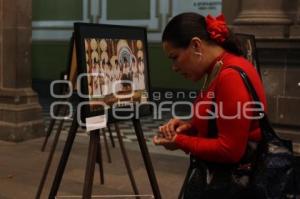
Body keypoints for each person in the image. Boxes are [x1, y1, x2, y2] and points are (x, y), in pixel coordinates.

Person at [153, 13, 267, 199]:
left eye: (174, 57)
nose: (173, 67)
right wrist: (188, 128)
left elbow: (229, 150)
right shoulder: (219, 68)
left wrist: (180, 141)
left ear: (196, 45)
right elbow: (221, 123)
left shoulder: (229, 76)